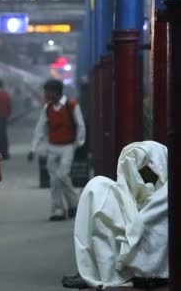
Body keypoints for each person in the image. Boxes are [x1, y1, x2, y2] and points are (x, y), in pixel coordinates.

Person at [62, 141, 169, 289]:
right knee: (98, 188)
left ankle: (104, 273)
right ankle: (94, 270)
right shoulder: (123, 193)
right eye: (135, 172)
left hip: (149, 267)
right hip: (126, 254)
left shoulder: (166, 192)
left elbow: (142, 226)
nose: (141, 179)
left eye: (146, 172)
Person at [28, 79, 86, 221]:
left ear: (56, 92)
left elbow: (80, 125)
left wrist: (78, 144)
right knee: (54, 180)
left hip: (67, 147)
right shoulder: (47, 108)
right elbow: (39, 129)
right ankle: (58, 209)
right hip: (52, 147)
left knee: (61, 175)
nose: (46, 95)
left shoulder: (72, 106)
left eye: (48, 92)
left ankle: (73, 203)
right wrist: (33, 148)